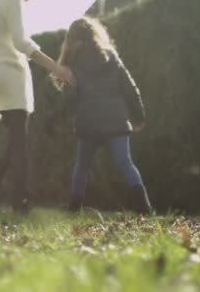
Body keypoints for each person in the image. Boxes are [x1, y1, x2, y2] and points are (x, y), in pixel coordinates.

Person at [0, 0, 75, 213]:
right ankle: (21, 203)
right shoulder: (13, 0)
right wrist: (56, 68)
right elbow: (21, 42)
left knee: (15, 141)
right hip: (9, 74)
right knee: (19, 143)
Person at [53, 17, 152, 214]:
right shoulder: (112, 57)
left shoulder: (74, 62)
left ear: (73, 40)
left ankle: (74, 208)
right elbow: (130, 88)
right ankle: (145, 207)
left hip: (89, 123)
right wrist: (139, 117)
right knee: (125, 162)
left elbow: (71, 98)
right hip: (116, 121)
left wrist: (57, 120)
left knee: (82, 166)